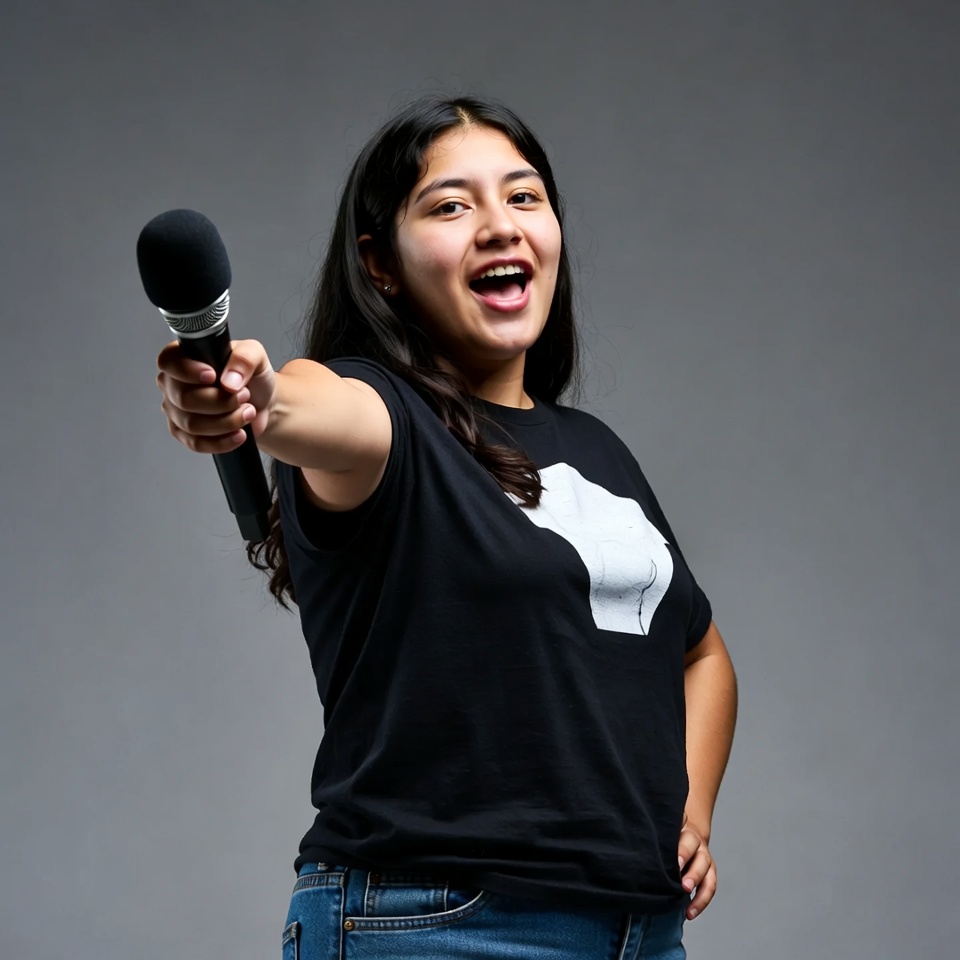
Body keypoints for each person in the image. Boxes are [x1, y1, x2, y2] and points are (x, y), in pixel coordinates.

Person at [156, 95, 737, 960]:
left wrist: (688, 811)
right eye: (451, 205)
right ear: (380, 263)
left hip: (639, 933)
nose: (500, 226)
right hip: (439, 928)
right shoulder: (384, 419)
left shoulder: (597, 452)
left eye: (524, 197)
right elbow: (310, 404)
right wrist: (259, 398)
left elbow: (700, 651)